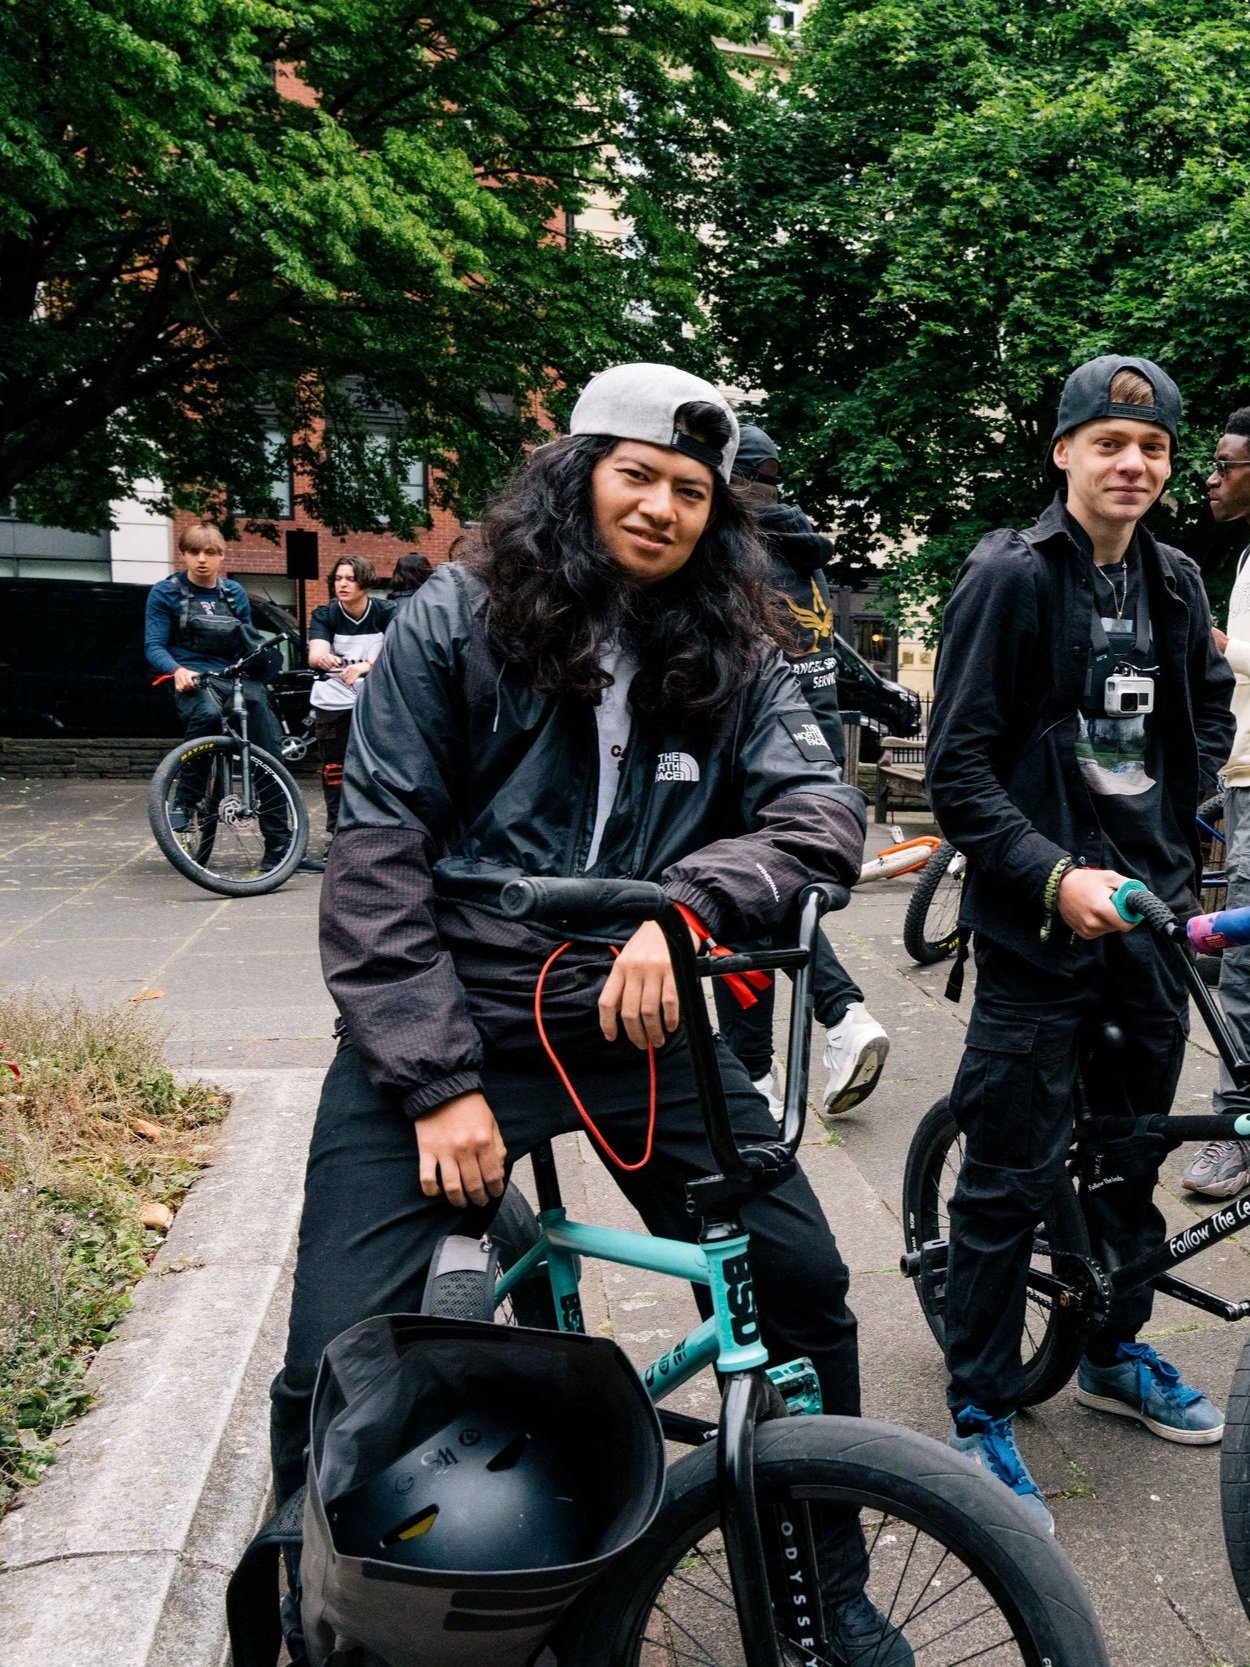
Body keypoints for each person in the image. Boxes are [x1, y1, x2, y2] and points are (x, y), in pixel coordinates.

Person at [270, 363, 912, 1665]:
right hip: (454, 1029)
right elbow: (379, 856)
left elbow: (819, 816)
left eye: (692, 490)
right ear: (578, 477)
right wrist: (439, 1081)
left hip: (635, 1037)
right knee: (330, 1354)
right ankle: (311, 1610)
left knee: (803, 1283)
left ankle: (819, 1586)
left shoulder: (733, 648)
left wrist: (686, 904)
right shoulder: (457, 618)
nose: (666, 506)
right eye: (640, 475)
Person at [927, 356, 1235, 1531]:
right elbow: (955, 766)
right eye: (1107, 442)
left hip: (1145, 927)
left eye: (1151, 448)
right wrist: (1051, 872)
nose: (1132, 464)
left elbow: (1202, 705)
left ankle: (1112, 1353)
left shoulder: (1171, 578)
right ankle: (978, 1408)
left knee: (1128, 1157)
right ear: (1060, 451)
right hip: (1035, 928)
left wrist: (1173, 817)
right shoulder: (1009, 574)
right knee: (1005, 1172)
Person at [713, 424, 889, 1121]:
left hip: (749, 742)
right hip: (810, 745)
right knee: (769, 893)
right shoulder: (803, 551)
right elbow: (828, 649)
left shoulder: (734, 548)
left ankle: (761, 1069)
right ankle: (836, 1020)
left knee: (736, 893)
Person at [1182, 408, 1250, 1199]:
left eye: (1227, 464)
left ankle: (1235, 1129)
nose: (1212, 475)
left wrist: (1211, 638)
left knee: (1242, 964)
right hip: (1239, 780)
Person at [144, 524, 291, 858]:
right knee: (209, 714)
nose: (201, 560)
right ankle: (185, 800)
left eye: (210, 553)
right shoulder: (164, 593)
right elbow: (153, 645)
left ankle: (280, 846)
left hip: (233, 676)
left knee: (267, 750)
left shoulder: (233, 593)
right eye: (194, 552)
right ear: (183, 554)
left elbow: (246, 640)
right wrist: (177, 670)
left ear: (221, 556)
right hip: (192, 679)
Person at [307, 554, 394, 852]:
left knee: (377, 768)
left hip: (373, 701)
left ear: (365, 582)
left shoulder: (385, 611)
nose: (342, 584)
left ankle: (377, 829)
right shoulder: (325, 614)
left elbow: (396, 649)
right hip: (332, 703)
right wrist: (323, 657)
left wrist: (365, 665)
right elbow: (315, 653)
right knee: (334, 770)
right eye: (338, 578)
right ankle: (339, 833)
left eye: (350, 578)